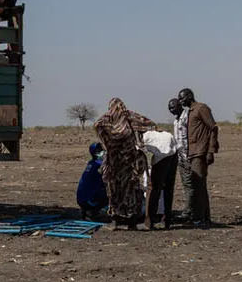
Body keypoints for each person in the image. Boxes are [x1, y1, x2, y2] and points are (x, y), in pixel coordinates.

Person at [93, 98, 156, 229]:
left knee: (115, 190)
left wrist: (108, 142)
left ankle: (115, 221)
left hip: (114, 161)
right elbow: (150, 124)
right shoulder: (130, 117)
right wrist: (138, 136)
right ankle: (131, 222)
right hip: (129, 161)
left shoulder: (106, 119)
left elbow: (96, 125)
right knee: (131, 190)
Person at [179, 88, 219, 228]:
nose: (180, 101)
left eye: (182, 98)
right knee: (197, 186)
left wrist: (211, 151)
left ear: (189, 97)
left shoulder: (201, 108)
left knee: (199, 186)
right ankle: (201, 218)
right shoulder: (189, 112)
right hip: (192, 153)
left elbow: (213, 128)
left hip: (200, 152)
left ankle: (201, 219)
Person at [142, 126, 178, 230]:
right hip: (173, 153)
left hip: (162, 157)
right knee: (168, 188)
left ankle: (149, 221)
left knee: (153, 188)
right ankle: (166, 220)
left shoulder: (144, 137)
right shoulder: (166, 134)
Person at [76, 142, 108, 219]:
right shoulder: (99, 165)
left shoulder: (91, 163)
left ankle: (86, 210)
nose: (102, 152)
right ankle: (92, 212)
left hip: (81, 200)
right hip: (88, 201)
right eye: (99, 150)